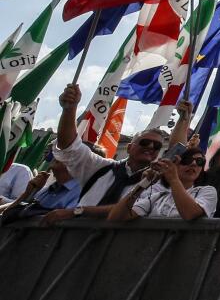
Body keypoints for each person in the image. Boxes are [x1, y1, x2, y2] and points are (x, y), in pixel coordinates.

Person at [49, 84, 166, 223]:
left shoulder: (156, 182)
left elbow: (129, 210)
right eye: (145, 143)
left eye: (157, 146)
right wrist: (69, 109)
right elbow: (69, 147)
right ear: (129, 147)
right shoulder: (101, 168)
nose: (151, 147)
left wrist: (77, 211)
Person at [108, 147, 217, 221]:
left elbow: (190, 214)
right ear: (174, 164)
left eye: (200, 161)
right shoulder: (159, 196)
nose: (193, 164)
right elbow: (116, 217)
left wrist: (173, 179)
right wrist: (144, 183)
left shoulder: (206, 191)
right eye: (187, 160)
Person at [0, 153, 81, 223]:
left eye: (57, 161)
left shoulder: (84, 192)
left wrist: (73, 212)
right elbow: (8, 214)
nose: (51, 166)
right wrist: (28, 193)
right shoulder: (46, 190)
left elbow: (82, 213)